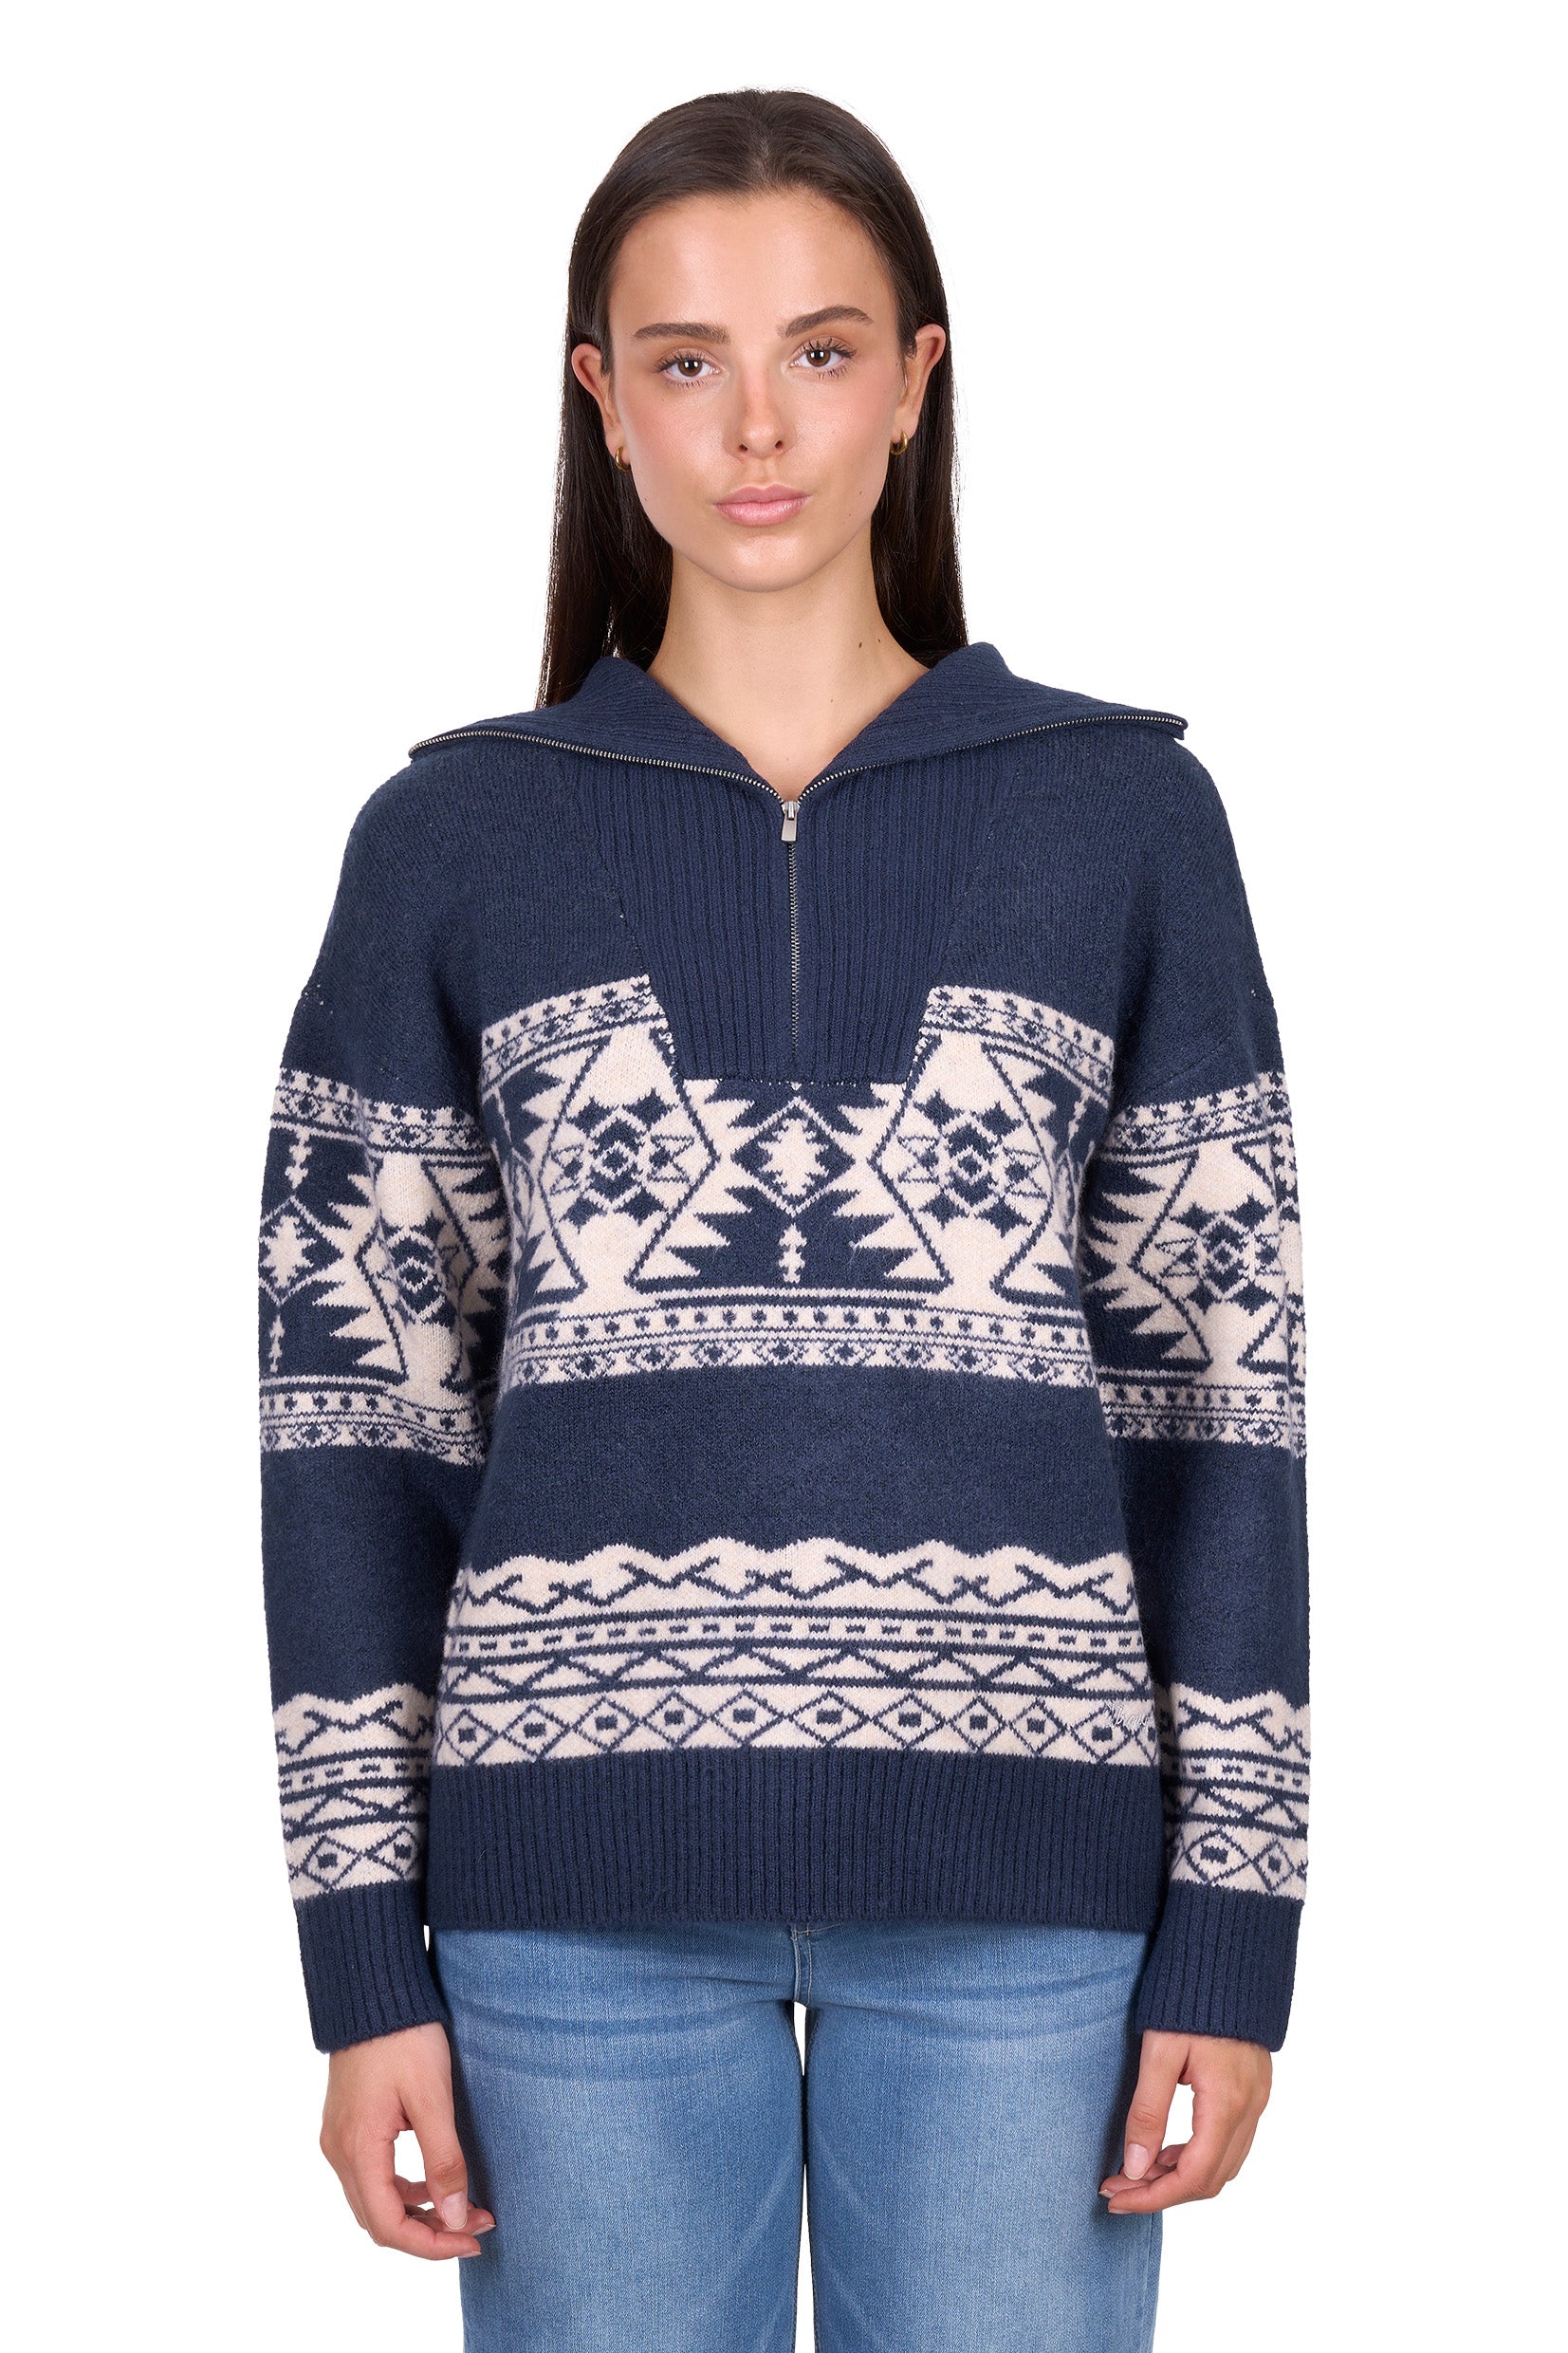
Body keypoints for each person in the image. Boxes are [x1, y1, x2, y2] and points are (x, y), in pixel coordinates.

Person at [257, 85, 1309, 2353]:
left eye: (820, 352)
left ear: (915, 381)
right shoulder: (449, 843)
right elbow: (352, 1430)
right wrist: (360, 1963)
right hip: (568, 1903)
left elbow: (1221, 1409)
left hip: (1028, 1896)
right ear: (598, 397)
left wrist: (1233, 1931)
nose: (756, 427)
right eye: (684, 360)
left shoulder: (1123, 820)